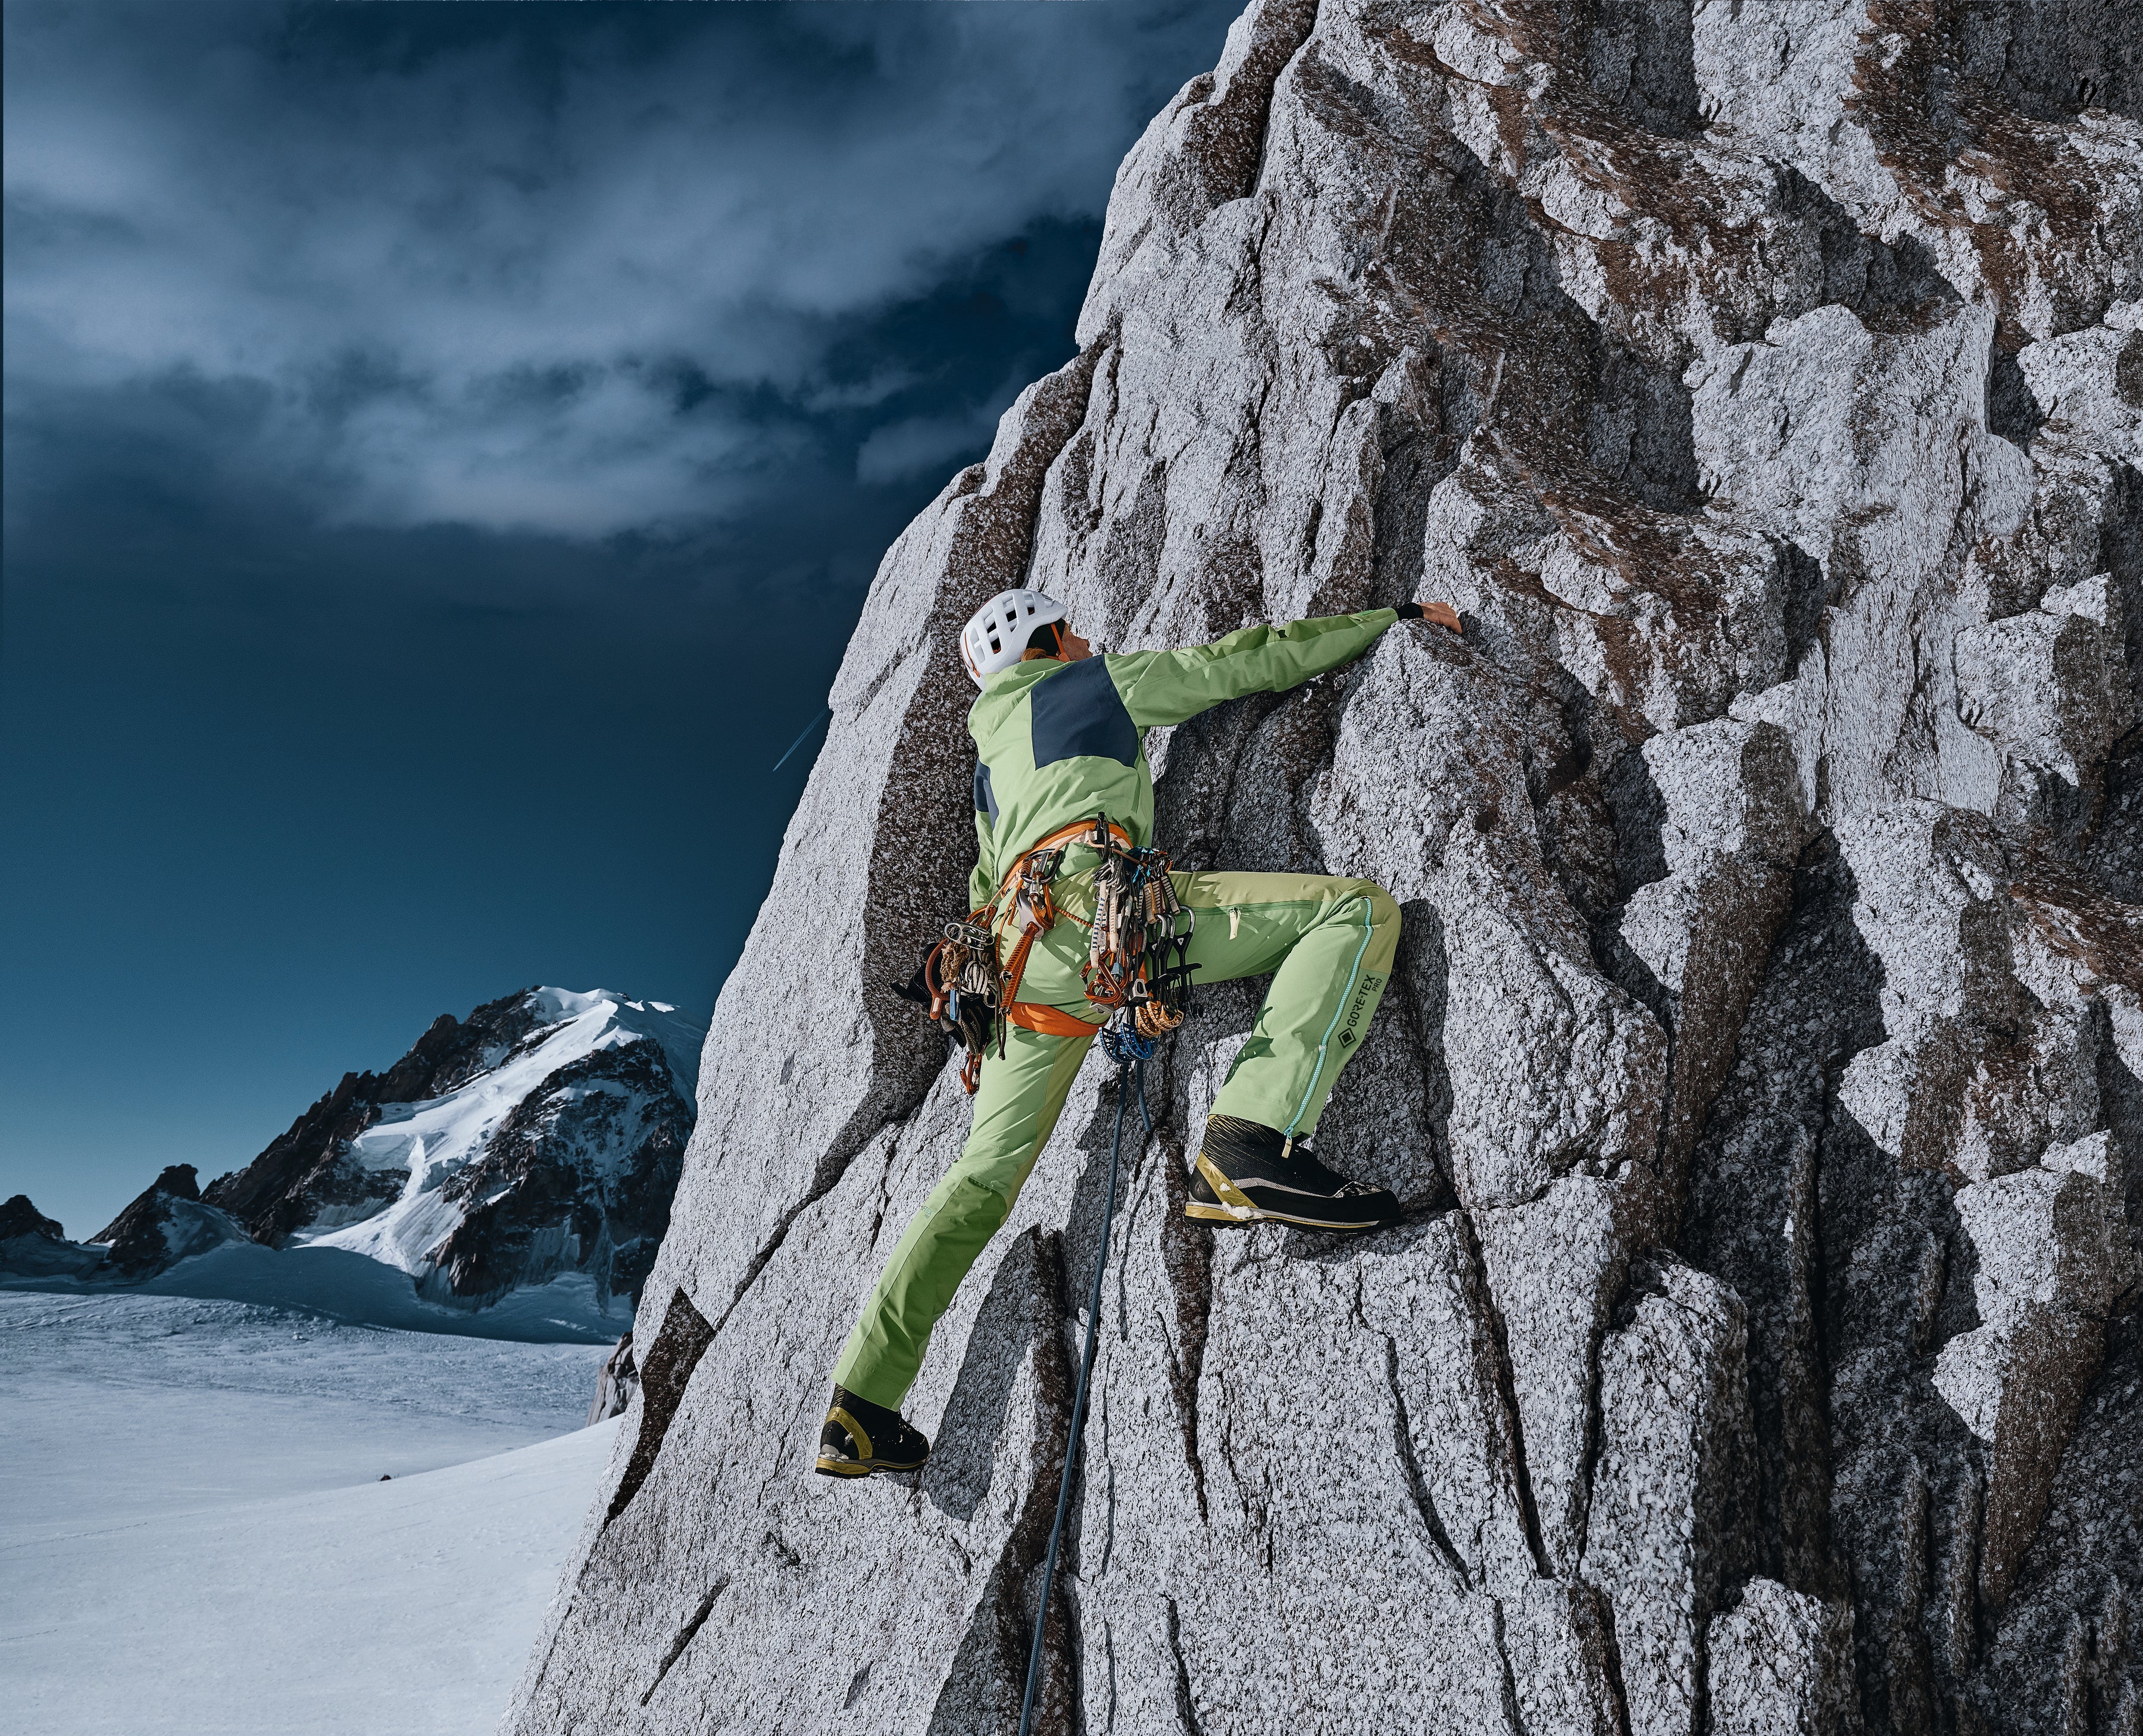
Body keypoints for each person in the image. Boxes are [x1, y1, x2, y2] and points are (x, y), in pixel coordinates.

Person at [816, 587, 1463, 1477]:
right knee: (1355, 915)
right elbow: (1236, 663)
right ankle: (1248, 1138)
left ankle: (861, 1401)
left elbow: (981, 885)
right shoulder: (1084, 687)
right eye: (1071, 629)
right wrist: (1385, 622)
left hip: (1017, 978)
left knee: (980, 1180)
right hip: (1098, 916)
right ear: (1042, 641)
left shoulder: (988, 771)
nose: (1089, 636)